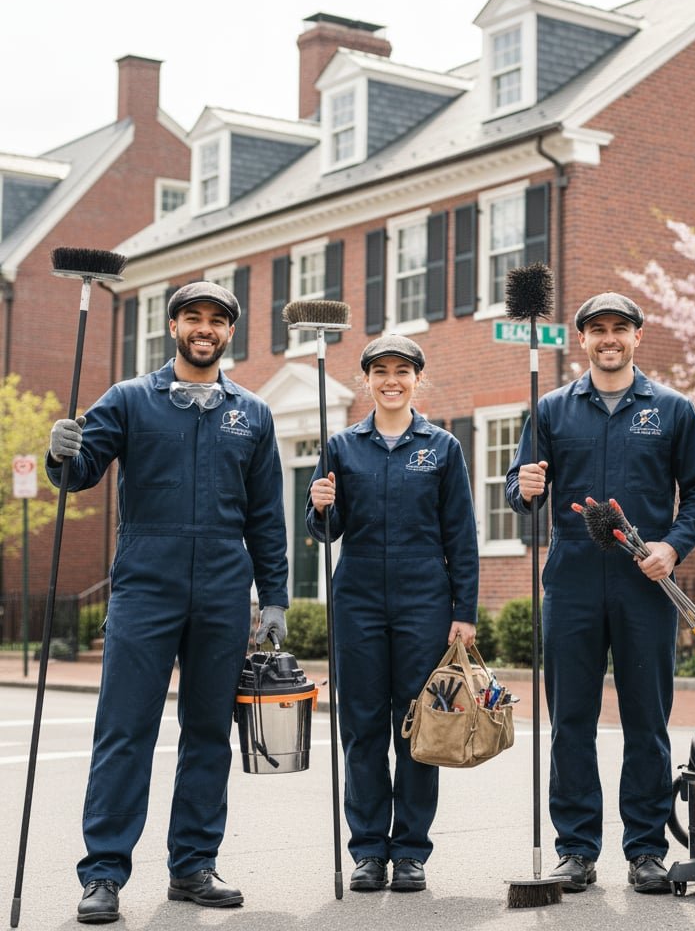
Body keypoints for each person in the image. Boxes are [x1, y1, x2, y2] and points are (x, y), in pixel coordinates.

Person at [47, 281, 289, 925]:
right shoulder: (129, 399)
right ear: (174, 326)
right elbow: (80, 472)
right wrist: (60, 447)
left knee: (209, 733)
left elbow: (267, 515)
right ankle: (103, 872)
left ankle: (193, 866)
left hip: (221, 587)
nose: (204, 328)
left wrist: (275, 599)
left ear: (229, 333)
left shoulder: (253, 413)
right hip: (144, 585)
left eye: (217, 320)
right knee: (125, 730)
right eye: (193, 318)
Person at [505, 292, 695, 894]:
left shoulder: (673, 410)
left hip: (644, 587)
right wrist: (522, 487)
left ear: (637, 336)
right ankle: (575, 848)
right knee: (570, 720)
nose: (608, 338)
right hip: (571, 585)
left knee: (645, 722)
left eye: (619, 329)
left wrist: (672, 548)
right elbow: (522, 493)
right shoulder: (550, 410)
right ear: (582, 340)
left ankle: (646, 848)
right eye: (597, 329)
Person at [306, 334, 478, 894]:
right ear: (367, 380)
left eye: (402, 370)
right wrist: (320, 508)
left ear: (417, 379)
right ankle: (367, 851)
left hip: (424, 600)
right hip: (356, 597)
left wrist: (464, 611)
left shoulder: (443, 447)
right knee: (361, 727)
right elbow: (324, 532)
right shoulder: (341, 446)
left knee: (419, 726)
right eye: (380, 371)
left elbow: (462, 536)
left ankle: (409, 851)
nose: (391, 380)